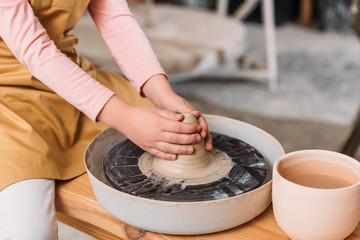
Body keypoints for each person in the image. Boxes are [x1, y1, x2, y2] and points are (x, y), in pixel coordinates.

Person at [0, 0, 213, 239]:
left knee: (175, 129)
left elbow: (116, 20)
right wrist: (124, 117)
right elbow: (34, 49)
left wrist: (162, 93)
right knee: (30, 232)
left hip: (67, 77)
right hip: (7, 100)